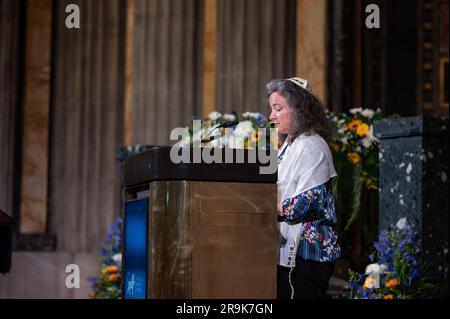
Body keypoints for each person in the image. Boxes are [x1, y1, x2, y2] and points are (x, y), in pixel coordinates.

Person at [267, 77, 341, 299]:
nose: (271, 116)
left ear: (299, 109)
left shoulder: (312, 145)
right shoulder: (288, 146)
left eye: (278, 109)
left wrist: (270, 205)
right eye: (271, 109)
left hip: (309, 254)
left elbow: (310, 200)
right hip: (289, 251)